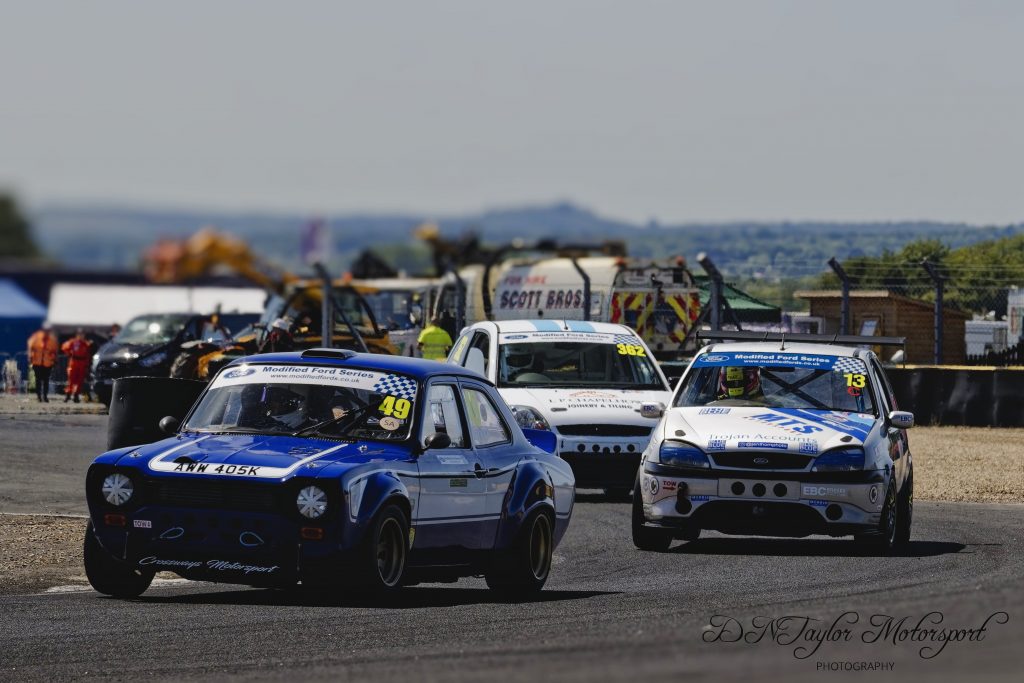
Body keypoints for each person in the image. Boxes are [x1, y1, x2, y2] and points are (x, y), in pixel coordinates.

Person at [27, 324, 59, 402]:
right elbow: (30, 347)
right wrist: (30, 358)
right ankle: (38, 396)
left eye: (48, 330)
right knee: (38, 380)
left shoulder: (52, 340)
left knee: (46, 381)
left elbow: (55, 351)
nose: (46, 332)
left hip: (47, 363)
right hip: (37, 362)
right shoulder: (36, 337)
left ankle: (45, 396)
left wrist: (55, 360)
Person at [61, 328, 92, 403]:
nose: (80, 335)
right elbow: (64, 348)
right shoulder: (73, 342)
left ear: (84, 335)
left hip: (82, 363)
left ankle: (76, 396)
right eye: (79, 334)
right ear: (76, 335)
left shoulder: (86, 344)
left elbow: (88, 355)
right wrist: (69, 353)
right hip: (74, 362)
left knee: (80, 380)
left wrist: (87, 365)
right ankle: (68, 395)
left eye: (82, 334)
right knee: (71, 379)